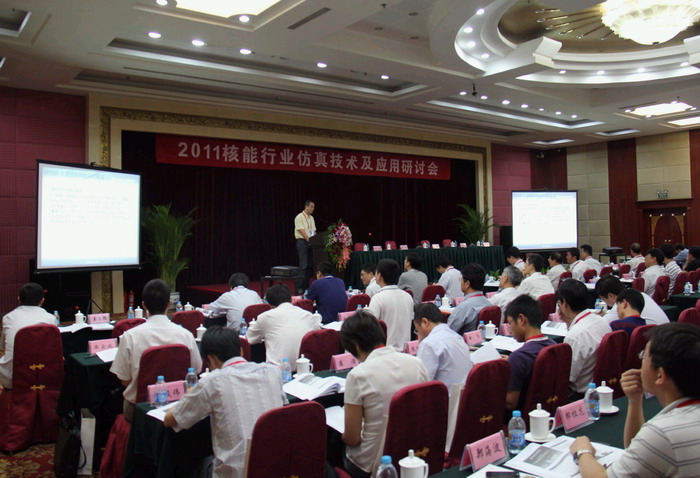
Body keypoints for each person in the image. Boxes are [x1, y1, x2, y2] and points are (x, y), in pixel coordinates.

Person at [570, 323, 700, 478]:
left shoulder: (663, 432)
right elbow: (637, 452)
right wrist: (635, 400)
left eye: (644, 356)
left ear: (660, 375)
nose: (640, 361)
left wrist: (583, 452)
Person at [164, 327, 287, 478]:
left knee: (192, 461)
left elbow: (171, 420)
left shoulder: (212, 381)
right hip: (276, 468)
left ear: (210, 360)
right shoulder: (273, 372)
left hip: (235, 473)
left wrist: (189, 394)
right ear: (241, 351)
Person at [341, 310, 429, 477]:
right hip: (411, 451)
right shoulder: (417, 363)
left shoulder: (357, 375)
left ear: (355, 346)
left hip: (372, 462)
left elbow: (353, 439)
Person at [111, 279, 202, 421]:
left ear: (144, 305)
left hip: (139, 409)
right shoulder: (186, 335)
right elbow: (195, 370)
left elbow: (124, 380)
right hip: (177, 405)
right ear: (169, 304)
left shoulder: (130, 336)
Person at [246, 284, 320, 370]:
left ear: (270, 304)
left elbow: (249, 339)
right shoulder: (308, 315)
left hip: (277, 371)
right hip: (306, 369)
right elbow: (318, 336)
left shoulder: (265, 317)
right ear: (291, 299)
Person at [558, 279, 611, 397]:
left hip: (579, 395)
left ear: (564, 304)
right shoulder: (601, 320)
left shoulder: (575, 336)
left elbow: (567, 378)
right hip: (601, 386)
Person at [503, 295, 556, 411]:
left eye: (510, 323)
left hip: (522, 416)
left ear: (521, 319)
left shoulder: (518, 357)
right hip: (548, 409)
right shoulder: (554, 346)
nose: (510, 330)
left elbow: (510, 403)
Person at [0, 283, 56, 390]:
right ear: (42, 300)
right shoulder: (50, 319)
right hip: (43, 376)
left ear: (19, 299)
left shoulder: (8, 318)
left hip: (12, 378)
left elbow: (2, 347)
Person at [413, 303, 472, 389]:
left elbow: (420, 384)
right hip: (463, 394)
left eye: (417, 330)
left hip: (444, 396)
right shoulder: (458, 338)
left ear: (425, 322)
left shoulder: (429, 343)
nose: (418, 334)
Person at [367, 259, 414, 351]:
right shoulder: (408, 296)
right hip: (406, 350)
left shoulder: (377, 298)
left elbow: (370, 327)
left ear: (379, 276)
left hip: (386, 352)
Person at [594, 275, 669, 326]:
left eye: (602, 298)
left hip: (656, 340)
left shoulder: (620, 305)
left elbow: (601, 326)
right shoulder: (640, 294)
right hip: (666, 333)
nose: (603, 301)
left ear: (610, 295)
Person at [447, 264, 491, 335]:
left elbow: (448, 331)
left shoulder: (464, 307)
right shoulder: (489, 303)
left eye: (460, 280)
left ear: (467, 284)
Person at [294, 200, 316, 294]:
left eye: (313, 207)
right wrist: (310, 240)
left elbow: (313, 231)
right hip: (302, 242)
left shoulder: (311, 218)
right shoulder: (299, 217)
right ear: (306, 206)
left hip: (310, 243)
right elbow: (302, 231)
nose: (312, 209)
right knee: (303, 265)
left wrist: (315, 240)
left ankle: (306, 286)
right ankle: (299, 287)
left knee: (309, 266)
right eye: (311, 207)